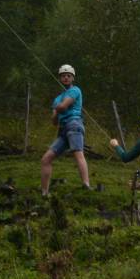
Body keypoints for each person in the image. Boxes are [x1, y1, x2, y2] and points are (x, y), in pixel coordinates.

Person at [41, 64, 92, 193]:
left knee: (78, 153)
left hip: (74, 124)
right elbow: (54, 121)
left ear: (72, 78)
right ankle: (44, 192)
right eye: (63, 76)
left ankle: (86, 185)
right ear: (59, 78)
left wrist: (57, 108)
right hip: (63, 130)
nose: (66, 78)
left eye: (68, 76)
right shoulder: (57, 98)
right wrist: (57, 109)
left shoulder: (75, 90)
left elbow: (62, 107)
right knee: (46, 159)